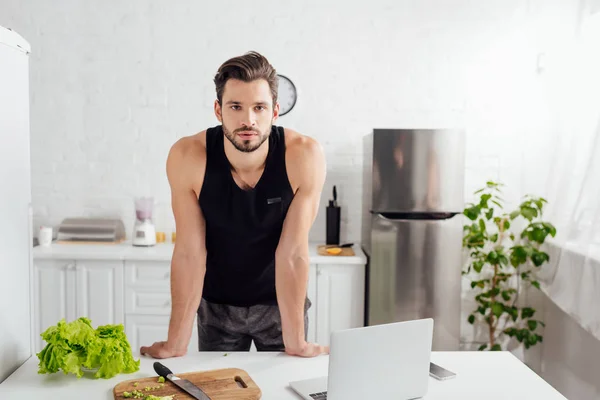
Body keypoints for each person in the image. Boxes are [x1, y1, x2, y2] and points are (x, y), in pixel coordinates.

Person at [140, 51, 328, 359]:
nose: (248, 120)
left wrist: (297, 342)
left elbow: (292, 253)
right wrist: (176, 342)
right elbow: (189, 252)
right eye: (236, 107)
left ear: (275, 111)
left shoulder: (303, 155)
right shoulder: (188, 157)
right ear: (218, 110)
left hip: (280, 306)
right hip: (217, 309)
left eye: (259, 107)